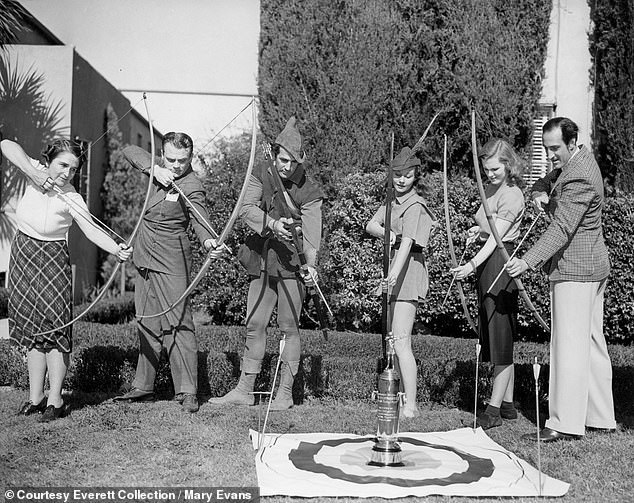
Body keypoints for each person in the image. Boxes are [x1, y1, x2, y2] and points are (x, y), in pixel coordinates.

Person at [1, 138, 133, 422]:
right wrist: (34, 172)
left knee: (55, 330)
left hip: (52, 259)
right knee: (32, 330)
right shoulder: (35, 171)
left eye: (72, 169)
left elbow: (91, 230)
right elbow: (6, 145)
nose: (66, 173)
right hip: (23, 252)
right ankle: (36, 398)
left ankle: (56, 399)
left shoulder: (72, 197)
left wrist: (116, 248)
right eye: (62, 165)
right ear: (48, 160)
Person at [506, 117, 615, 442]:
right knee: (592, 343)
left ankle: (565, 423)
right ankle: (600, 417)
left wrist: (527, 261)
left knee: (568, 346)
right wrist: (541, 193)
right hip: (591, 268)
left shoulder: (579, 173)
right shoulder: (577, 162)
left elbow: (563, 227)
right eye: (547, 148)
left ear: (571, 142)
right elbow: (549, 180)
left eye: (555, 148)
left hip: (576, 270)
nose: (551, 155)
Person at [209, 117, 323, 411]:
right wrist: (271, 224)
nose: (286, 167)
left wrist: (310, 266)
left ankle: (284, 393)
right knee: (255, 323)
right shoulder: (262, 172)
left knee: (288, 326)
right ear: (274, 155)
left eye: (293, 162)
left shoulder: (309, 191)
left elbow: (312, 238)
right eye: (282, 160)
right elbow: (245, 208)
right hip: (262, 255)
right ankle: (245, 390)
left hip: (292, 262)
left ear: (301, 161)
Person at [114, 132, 222, 413]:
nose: (176, 166)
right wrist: (154, 169)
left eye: (182, 161)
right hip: (144, 254)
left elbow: (200, 219)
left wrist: (209, 239)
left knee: (179, 322)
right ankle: (143, 386)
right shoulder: (157, 170)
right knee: (146, 320)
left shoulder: (191, 184)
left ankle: (187, 390)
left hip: (173, 256)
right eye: (171, 159)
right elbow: (128, 148)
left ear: (191, 158)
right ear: (163, 155)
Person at [451, 138, 525, 429]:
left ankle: (493, 410)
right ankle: (507, 405)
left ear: (508, 164)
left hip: (500, 263)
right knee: (493, 334)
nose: (490, 174)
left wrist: (470, 265)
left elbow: (498, 237)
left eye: (495, 168)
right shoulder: (491, 189)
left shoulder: (513, 194)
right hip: (488, 262)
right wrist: (475, 229)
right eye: (486, 169)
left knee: (501, 335)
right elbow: (487, 228)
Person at [366, 146, 436, 419]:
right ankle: (394, 393)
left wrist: (394, 272)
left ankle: (411, 404)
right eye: (397, 175)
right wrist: (389, 235)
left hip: (407, 271)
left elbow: (408, 242)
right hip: (394, 267)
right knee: (392, 339)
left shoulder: (416, 205)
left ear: (415, 175)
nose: (402, 180)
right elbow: (371, 225)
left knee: (401, 340)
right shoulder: (391, 202)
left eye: (407, 175)